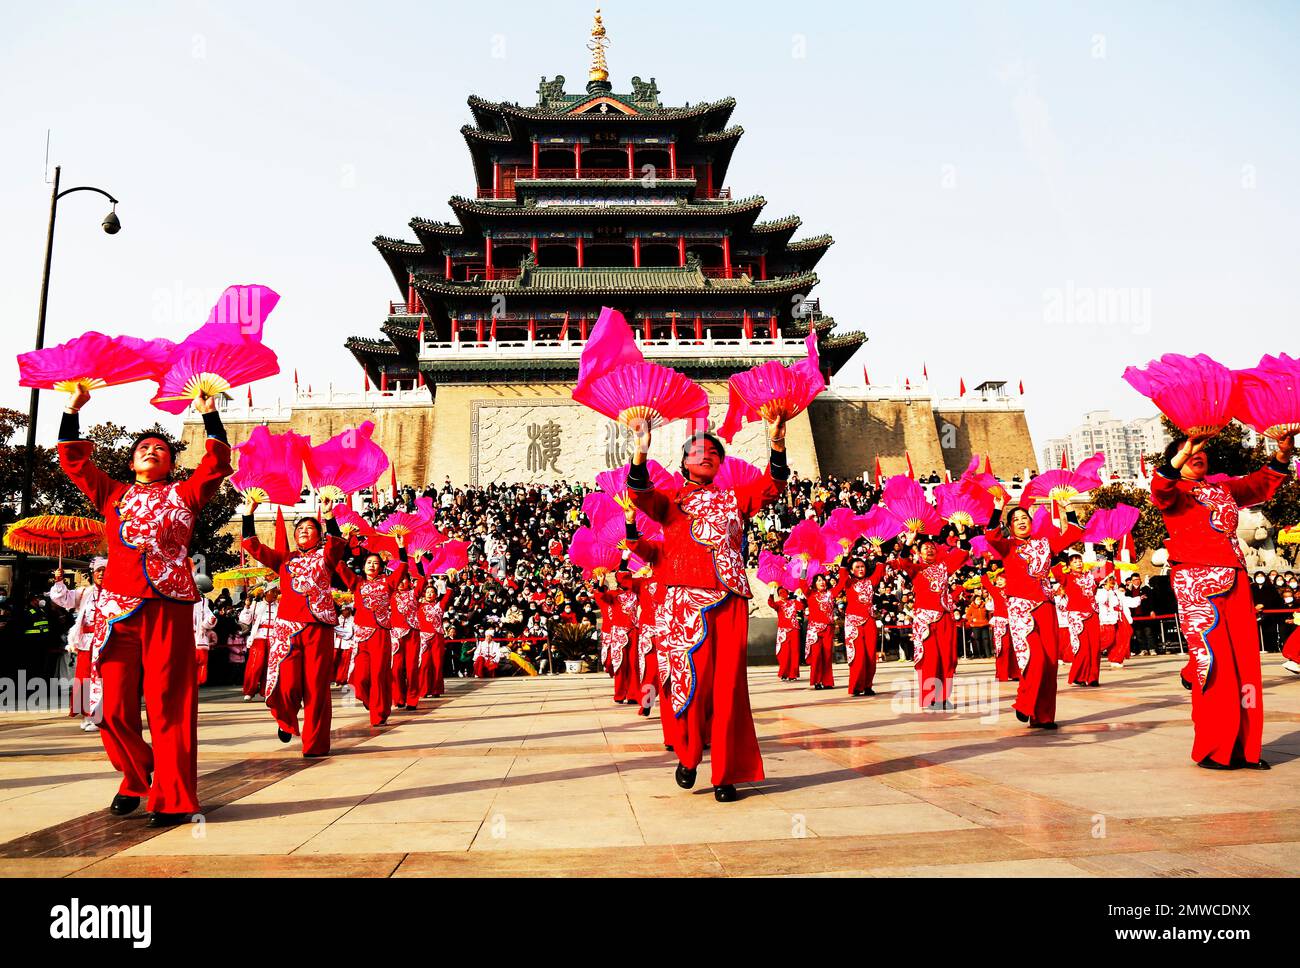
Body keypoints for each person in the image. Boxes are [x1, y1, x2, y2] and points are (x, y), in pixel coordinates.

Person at [57, 383, 232, 826]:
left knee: (169, 703)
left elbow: (217, 463)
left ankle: (173, 799)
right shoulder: (113, 494)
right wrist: (71, 410)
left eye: (159, 448)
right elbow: (75, 463)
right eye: (143, 447)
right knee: (108, 707)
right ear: (132, 461)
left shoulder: (186, 493)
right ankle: (137, 774)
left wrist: (209, 416)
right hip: (116, 610)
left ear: (171, 463)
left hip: (170, 607)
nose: (151, 450)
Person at [627, 414, 788, 804]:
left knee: (730, 689)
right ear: (683, 462)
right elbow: (639, 494)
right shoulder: (671, 501)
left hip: (729, 597)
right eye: (697, 451)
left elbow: (771, 487)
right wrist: (641, 447)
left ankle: (726, 773)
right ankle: (687, 755)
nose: (706, 455)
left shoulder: (735, 497)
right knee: (689, 684)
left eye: (714, 452)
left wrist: (777, 442)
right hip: (682, 600)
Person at [1151, 431, 1293, 770]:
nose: (1199, 454)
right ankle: (1215, 747)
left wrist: (1284, 452)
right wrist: (1184, 450)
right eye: (1190, 452)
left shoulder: (1222, 489)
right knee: (1214, 665)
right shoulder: (1173, 493)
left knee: (1246, 666)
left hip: (1236, 579)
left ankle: (1246, 747)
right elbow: (1160, 489)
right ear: (1179, 457)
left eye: (1202, 451)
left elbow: (1260, 484)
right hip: (1198, 583)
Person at [241, 495, 350, 756]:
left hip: (318, 627)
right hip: (287, 627)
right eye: (299, 528)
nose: (303, 531)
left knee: (316, 688)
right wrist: (248, 514)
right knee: (286, 682)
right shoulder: (284, 559)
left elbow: (338, 544)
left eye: (309, 527)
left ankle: (315, 744)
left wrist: (329, 514)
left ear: (319, 535)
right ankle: (287, 719)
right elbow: (253, 547)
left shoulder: (326, 557)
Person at [983, 498, 1083, 729]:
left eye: (1024, 518)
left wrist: (1067, 508)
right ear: (1009, 525)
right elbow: (991, 535)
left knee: (1050, 663)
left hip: (1046, 605)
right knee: (1034, 656)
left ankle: (1044, 716)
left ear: (1031, 522)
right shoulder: (1007, 546)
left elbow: (1075, 533)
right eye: (1015, 519)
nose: (1020, 522)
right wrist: (997, 507)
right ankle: (1024, 702)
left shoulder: (1045, 544)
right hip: (1020, 608)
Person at [889, 537, 969, 710]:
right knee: (930, 659)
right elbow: (903, 561)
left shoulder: (944, 567)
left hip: (945, 617)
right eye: (925, 548)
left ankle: (943, 697)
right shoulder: (916, 569)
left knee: (948, 659)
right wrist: (909, 542)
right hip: (925, 621)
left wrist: (962, 534)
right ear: (918, 553)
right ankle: (929, 697)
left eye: (932, 547)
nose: (929, 550)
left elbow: (963, 555)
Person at [336, 537, 408, 726]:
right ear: (364, 565)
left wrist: (401, 548)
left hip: (381, 633)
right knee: (360, 677)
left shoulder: (388, 583)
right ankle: (370, 700)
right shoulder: (357, 583)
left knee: (379, 674)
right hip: (361, 634)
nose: (372, 565)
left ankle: (379, 712)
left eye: (376, 563)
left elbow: (402, 568)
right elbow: (340, 567)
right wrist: (345, 544)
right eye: (369, 562)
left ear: (381, 567)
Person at [47, 558, 108, 730]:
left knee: (101, 680)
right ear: (93, 573)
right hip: (86, 643)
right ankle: (89, 714)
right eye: (98, 570)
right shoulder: (84, 593)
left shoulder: (115, 594)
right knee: (83, 680)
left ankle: (99, 715)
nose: (101, 574)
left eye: (104, 570)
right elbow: (62, 599)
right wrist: (59, 581)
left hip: (106, 642)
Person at [838, 555, 885, 696]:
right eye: (857, 567)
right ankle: (856, 686)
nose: (860, 569)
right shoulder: (848, 582)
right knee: (857, 656)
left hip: (869, 621)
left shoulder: (871, 581)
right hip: (853, 623)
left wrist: (879, 555)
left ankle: (868, 686)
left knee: (870, 655)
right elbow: (842, 572)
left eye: (862, 566)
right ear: (851, 570)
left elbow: (879, 569)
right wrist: (845, 556)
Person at [1057, 555, 1101, 687]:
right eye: (1074, 562)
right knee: (1082, 647)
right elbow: (1056, 571)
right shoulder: (1067, 578)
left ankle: (1093, 678)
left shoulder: (1090, 577)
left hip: (1092, 614)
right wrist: (1056, 552)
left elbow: (1105, 569)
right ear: (1069, 566)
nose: (1078, 563)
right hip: (1077, 616)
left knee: (1095, 647)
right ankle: (1079, 676)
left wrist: (1108, 552)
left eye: (1080, 561)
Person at [415, 568, 453, 698]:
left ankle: (436, 689)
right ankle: (423, 690)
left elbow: (448, 595)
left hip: (437, 636)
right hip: (423, 638)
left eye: (432, 592)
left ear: (436, 595)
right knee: (424, 664)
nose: (430, 594)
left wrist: (451, 582)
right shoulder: (419, 606)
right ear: (424, 594)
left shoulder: (440, 606)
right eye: (428, 592)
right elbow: (416, 591)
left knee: (437, 663)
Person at [238, 584, 278, 701]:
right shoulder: (257, 605)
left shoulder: (280, 606)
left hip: (274, 638)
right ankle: (249, 690)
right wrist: (247, 607)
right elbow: (244, 620)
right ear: (266, 593)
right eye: (273, 592)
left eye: (276, 592)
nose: (276, 594)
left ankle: (267, 691)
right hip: (259, 636)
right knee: (255, 665)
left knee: (270, 666)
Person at [802, 572, 837, 690]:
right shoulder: (810, 594)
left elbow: (841, 584)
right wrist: (805, 568)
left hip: (828, 628)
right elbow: (802, 583)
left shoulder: (831, 594)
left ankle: (827, 682)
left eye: (823, 580)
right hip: (815, 630)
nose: (821, 582)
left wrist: (846, 558)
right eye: (818, 580)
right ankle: (817, 681)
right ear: (814, 584)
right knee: (816, 656)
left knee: (827, 656)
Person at [981, 572, 1017, 682]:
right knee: (1002, 648)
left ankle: (1016, 673)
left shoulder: (1013, 590)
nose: (999, 581)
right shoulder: (995, 591)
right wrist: (983, 570)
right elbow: (985, 582)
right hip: (1000, 622)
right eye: (998, 579)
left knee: (1015, 648)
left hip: (1014, 621)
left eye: (1002, 579)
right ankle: (1002, 674)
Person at [769, 586, 803, 682]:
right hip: (783, 630)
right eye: (780, 593)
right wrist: (771, 594)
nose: (783, 594)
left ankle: (793, 674)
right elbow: (771, 604)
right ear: (779, 595)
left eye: (784, 592)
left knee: (794, 652)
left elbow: (802, 607)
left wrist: (800, 597)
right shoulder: (778, 604)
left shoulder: (793, 602)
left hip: (794, 629)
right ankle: (784, 672)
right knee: (784, 653)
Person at [193, 594, 217, 686]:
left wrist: (208, 622)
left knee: (202, 661)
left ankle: (199, 681)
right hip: (189, 637)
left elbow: (210, 619)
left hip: (201, 638)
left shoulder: (203, 603)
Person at [333, 604, 356, 687]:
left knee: (345, 662)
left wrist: (338, 631)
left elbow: (349, 634)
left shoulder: (353, 620)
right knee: (335, 660)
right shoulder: (338, 618)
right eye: (342, 610)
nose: (344, 612)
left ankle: (341, 679)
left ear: (350, 611)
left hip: (347, 644)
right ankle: (333, 678)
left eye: (346, 610)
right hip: (337, 643)